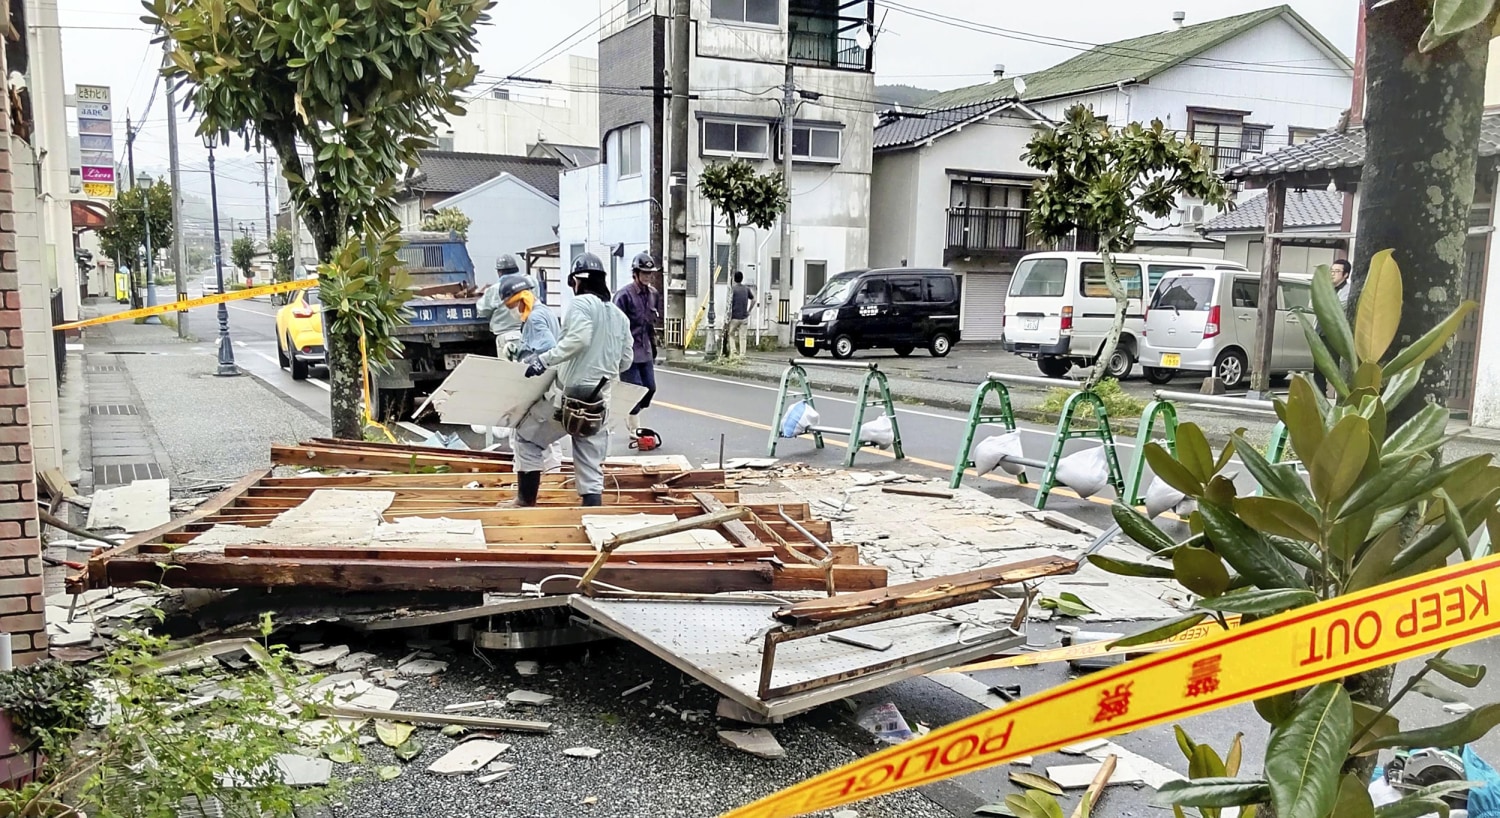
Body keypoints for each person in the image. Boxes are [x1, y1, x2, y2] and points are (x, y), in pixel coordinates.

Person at [509, 253, 633, 508]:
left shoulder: (581, 305)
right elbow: (625, 361)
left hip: (567, 397)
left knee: (527, 436)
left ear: (577, 280)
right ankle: (591, 516)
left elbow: (578, 340)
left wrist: (543, 361)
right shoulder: (619, 316)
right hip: (599, 401)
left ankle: (524, 502)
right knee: (589, 462)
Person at [612, 251, 661, 439]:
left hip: (645, 348)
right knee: (634, 389)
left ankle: (631, 411)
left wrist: (654, 344)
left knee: (650, 387)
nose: (648, 277)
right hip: (628, 350)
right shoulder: (623, 295)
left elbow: (651, 321)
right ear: (635, 273)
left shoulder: (653, 294)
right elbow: (614, 326)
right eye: (644, 273)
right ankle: (634, 427)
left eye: (650, 273)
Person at [1314, 258, 1353, 395]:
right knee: (1318, 367)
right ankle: (1319, 397)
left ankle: (1341, 399)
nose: (1332, 274)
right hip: (1320, 331)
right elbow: (1313, 304)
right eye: (1332, 270)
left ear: (1346, 275)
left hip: (1335, 335)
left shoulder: (1348, 291)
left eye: (1337, 271)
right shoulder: (1325, 287)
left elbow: (1338, 307)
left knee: (1337, 368)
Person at [476, 255, 526, 359]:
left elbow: (482, 310)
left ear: (499, 272)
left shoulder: (495, 290)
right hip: (526, 334)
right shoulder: (528, 284)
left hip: (505, 336)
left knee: (508, 371)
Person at [727, 271, 755, 358]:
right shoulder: (746, 289)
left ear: (734, 279)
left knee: (731, 334)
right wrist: (749, 310)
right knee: (743, 337)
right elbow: (753, 299)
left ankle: (734, 352)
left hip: (734, 317)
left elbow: (729, 303)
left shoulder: (732, 289)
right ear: (742, 279)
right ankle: (742, 354)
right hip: (744, 317)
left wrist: (728, 316)